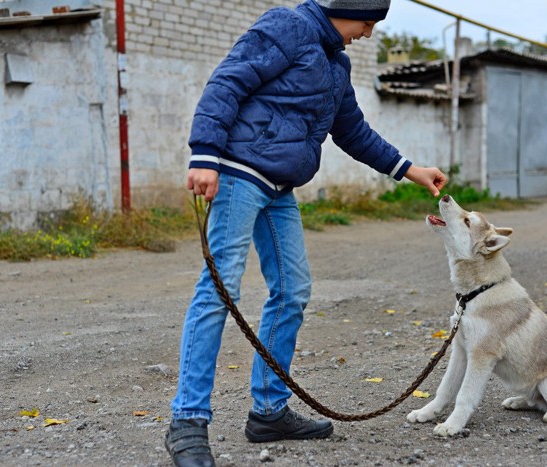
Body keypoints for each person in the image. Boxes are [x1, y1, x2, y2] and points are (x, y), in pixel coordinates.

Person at [166, 1, 448, 466]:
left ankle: (269, 412)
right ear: (348, 8)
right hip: (238, 174)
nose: (368, 33)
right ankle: (187, 421)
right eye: (367, 23)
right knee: (218, 291)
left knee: (293, 291)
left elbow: (353, 132)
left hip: (279, 188)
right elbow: (228, 80)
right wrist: (204, 154)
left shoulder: (336, 64)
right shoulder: (287, 27)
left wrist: (409, 169)